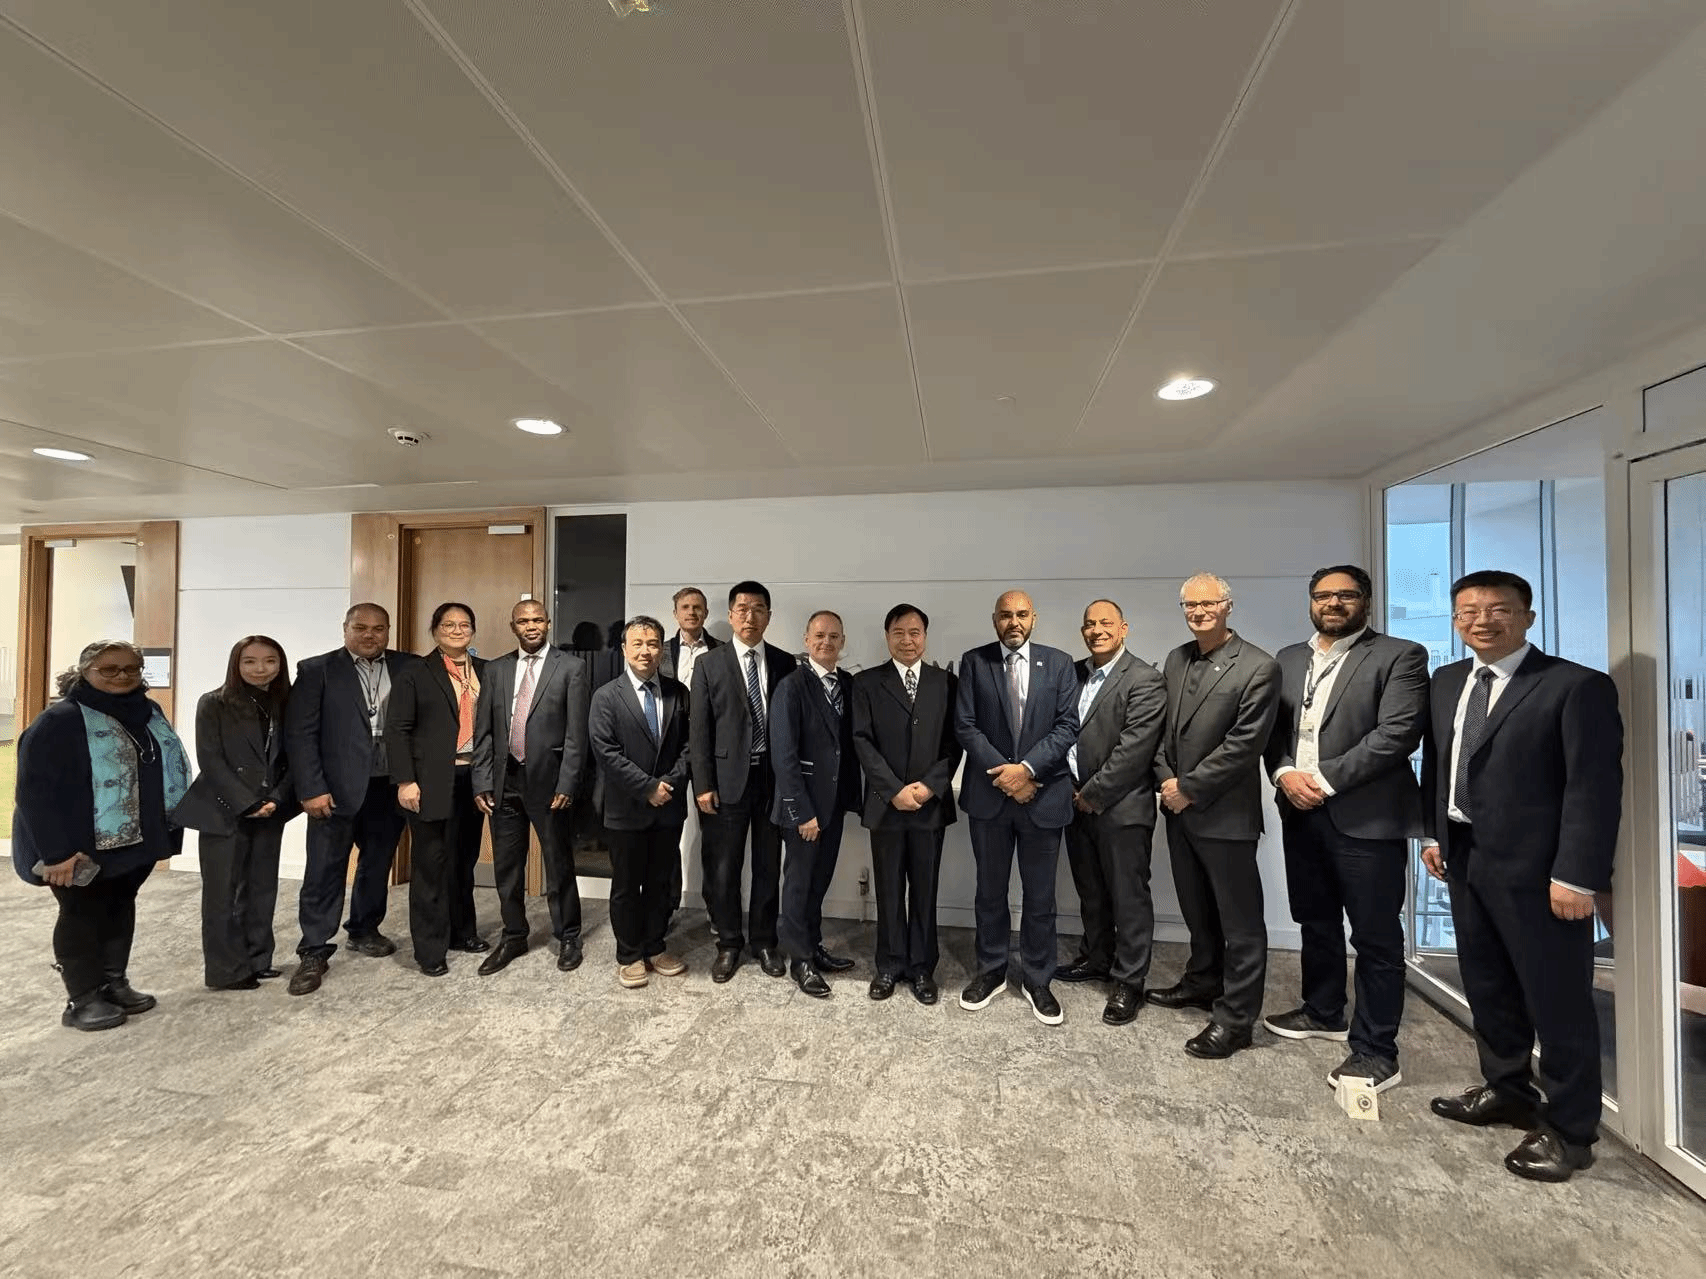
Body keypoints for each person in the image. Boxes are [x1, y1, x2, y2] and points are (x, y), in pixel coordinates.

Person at [1421, 570, 1622, 1183]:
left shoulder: (1575, 686)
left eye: (1499, 609)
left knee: (1557, 1000)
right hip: (1466, 855)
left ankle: (1571, 1130)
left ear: (1527, 617)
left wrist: (1578, 876)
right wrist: (1433, 834)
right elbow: (1439, 764)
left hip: (1542, 872)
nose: (1482, 621)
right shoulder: (1448, 680)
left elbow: (1593, 788)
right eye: (1468, 611)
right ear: (1456, 620)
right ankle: (1507, 1090)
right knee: (1487, 983)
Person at [1261, 566, 1429, 1093]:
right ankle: (1323, 1010)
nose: (1332, 603)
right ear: (1311, 601)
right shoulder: (1289, 658)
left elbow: (1397, 734)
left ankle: (1377, 1051)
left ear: (1367, 601)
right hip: (1299, 809)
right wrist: (1284, 773)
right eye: (1322, 595)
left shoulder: (1400, 656)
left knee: (1376, 938)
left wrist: (1322, 779)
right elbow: (1271, 731)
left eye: (1345, 595)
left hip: (1366, 818)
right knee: (1315, 919)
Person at [10, 640, 189, 1030]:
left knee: (120, 905)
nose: (122, 676)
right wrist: (56, 853)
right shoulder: (59, 720)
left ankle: (113, 982)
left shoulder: (149, 711)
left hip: (135, 840)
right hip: (78, 846)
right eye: (109, 669)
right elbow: (34, 794)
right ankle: (82, 998)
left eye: (131, 668)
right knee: (81, 914)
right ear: (85, 671)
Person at [1150, 573, 1280, 1060]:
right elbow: (1162, 732)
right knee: (1197, 909)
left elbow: (1245, 745)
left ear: (1228, 606)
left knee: (1240, 924)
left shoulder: (1259, 667)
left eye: (1209, 603)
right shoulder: (1176, 658)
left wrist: (1188, 788)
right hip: (1178, 810)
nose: (1199, 611)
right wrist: (1167, 780)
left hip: (1224, 816)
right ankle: (1203, 981)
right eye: (1190, 604)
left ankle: (1236, 1019)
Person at [954, 590, 1080, 1026]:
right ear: (995, 620)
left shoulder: (1060, 663)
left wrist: (1025, 770)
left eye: (1021, 614)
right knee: (989, 892)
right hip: (990, 798)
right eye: (1005, 615)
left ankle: (1038, 978)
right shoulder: (974, 662)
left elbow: (1067, 726)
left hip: (1042, 795)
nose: (1014, 622)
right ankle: (990, 970)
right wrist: (1006, 775)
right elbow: (965, 726)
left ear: (1034, 618)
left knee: (1040, 897)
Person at [284, 603, 413, 996]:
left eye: (379, 628)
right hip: (334, 789)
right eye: (361, 627)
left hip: (388, 785)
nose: (370, 635)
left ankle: (364, 929)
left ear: (388, 630)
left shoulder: (409, 666)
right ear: (345, 628)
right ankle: (314, 949)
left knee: (377, 863)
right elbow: (301, 734)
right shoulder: (317, 670)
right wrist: (310, 788)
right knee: (325, 868)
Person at [1060, 599, 1168, 1026]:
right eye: (1090, 624)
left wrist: (1092, 793)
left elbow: (1134, 750)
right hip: (1074, 804)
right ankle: (1096, 958)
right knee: (1091, 889)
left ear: (1124, 628)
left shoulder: (1144, 678)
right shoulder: (1072, 674)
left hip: (1121, 808)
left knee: (1128, 897)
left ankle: (1129, 981)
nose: (1097, 630)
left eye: (1106, 623)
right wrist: (1070, 792)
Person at [174, 636, 301, 991]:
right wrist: (248, 802)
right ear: (236, 664)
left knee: (262, 888)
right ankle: (226, 971)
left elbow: (297, 757)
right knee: (222, 894)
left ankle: (258, 959)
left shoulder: (287, 703)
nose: (260, 669)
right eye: (250, 661)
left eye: (270, 661)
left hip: (272, 808)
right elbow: (210, 760)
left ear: (280, 664)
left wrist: (277, 798)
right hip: (224, 809)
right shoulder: (214, 702)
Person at [472, 599, 590, 976]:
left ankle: (568, 935)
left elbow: (577, 735)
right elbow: (484, 731)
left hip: (550, 783)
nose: (531, 626)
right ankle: (514, 935)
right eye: (523, 621)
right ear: (514, 627)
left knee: (558, 863)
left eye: (538, 620)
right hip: (503, 782)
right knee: (507, 866)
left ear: (548, 623)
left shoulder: (571, 667)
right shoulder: (495, 669)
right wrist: (481, 780)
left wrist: (568, 781)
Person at [851, 605, 962, 1005]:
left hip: (929, 807)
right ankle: (889, 964)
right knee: (889, 889)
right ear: (887, 636)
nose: (908, 640)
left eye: (915, 632)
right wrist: (893, 790)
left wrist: (929, 787)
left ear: (925, 637)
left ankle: (922, 967)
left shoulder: (946, 682)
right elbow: (862, 741)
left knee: (925, 890)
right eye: (899, 632)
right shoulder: (866, 683)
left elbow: (955, 742)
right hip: (886, 807)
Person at [689, 580, 795, 983]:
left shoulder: (785, 662)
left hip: (772, 779)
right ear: (731, 615)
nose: (750, 617)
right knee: (723, 867)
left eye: (758, 609)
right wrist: (703, 784)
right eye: (743, 609)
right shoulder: (708, 664)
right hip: (725, 781)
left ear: (769, 616)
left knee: (768, 865)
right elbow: (699, 729)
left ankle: (765, 942)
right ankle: (729, 943)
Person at [386, 602, 491, 975]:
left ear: (473, 630)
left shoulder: (486, 670)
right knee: (431, 864)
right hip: (430, 781)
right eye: (449, 624)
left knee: (464, 860)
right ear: (434, 630)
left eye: (465, 624)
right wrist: (405, 781)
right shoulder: (416, 672)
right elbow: (397, 729)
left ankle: (462, 933)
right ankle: (430, 949)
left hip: (473, 778)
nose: (457, 630)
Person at [588, 616, 692, 988]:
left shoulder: (679, 692)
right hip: (625, 808)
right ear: (624, 649)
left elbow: (690, 746)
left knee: (661, 882)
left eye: (653, 644)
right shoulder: (606, 696)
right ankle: (629, 953)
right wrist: (647, 787)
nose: (646, 651)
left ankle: (655, 946)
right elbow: (606, 751)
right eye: (638, 643)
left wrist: (668, 784)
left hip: (668, 807)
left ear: (662, 649)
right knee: (627, 885)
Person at [771, 611, 861, 998]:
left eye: (834, 636)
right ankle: (800, 960)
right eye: (819, 635)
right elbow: (784, 756)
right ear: (807, 640)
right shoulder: (791, 686)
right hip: (803, 809)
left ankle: (813, 945)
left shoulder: (849, 684)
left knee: (819, 882)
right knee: (799, 885)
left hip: (834, 805)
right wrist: (802, 811)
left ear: (843, 642)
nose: (826, 642)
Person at [659, 586, 721, 926]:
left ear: (706, 613)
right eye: (685, 607)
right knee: (668, 832)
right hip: (671, 749)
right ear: (675, 613)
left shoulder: (722, 651)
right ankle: (668, 905)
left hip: (710, 749)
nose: (692, 612)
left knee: (714, 834)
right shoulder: (660, 651)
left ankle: (716, 907)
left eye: (698, 607)